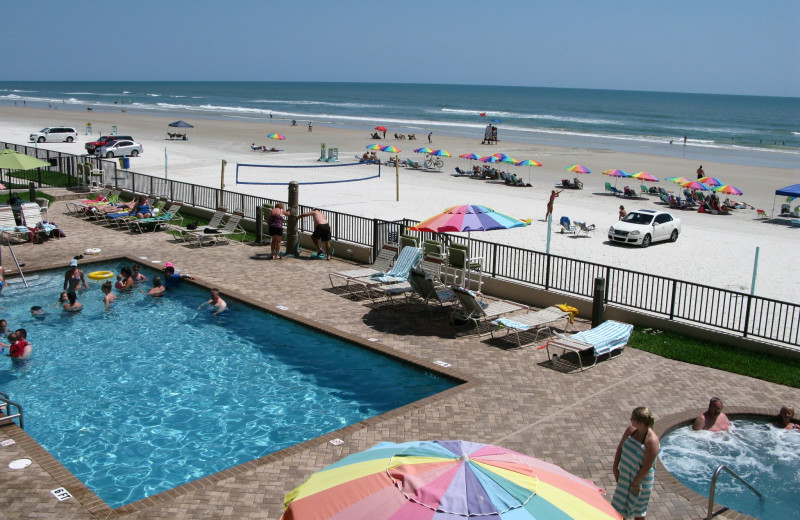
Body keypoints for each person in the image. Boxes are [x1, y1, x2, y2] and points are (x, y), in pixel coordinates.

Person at [612, 407, 660, 520]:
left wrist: (635, 483)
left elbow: (647, 467)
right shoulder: (631, 430)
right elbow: (620, 448)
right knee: (620, 509)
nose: (630, 420)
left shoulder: (652, 441)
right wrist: (615, 468)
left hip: (640, 481)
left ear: (640, 422)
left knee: (638, 513)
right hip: (625, 477)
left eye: (632, 418)